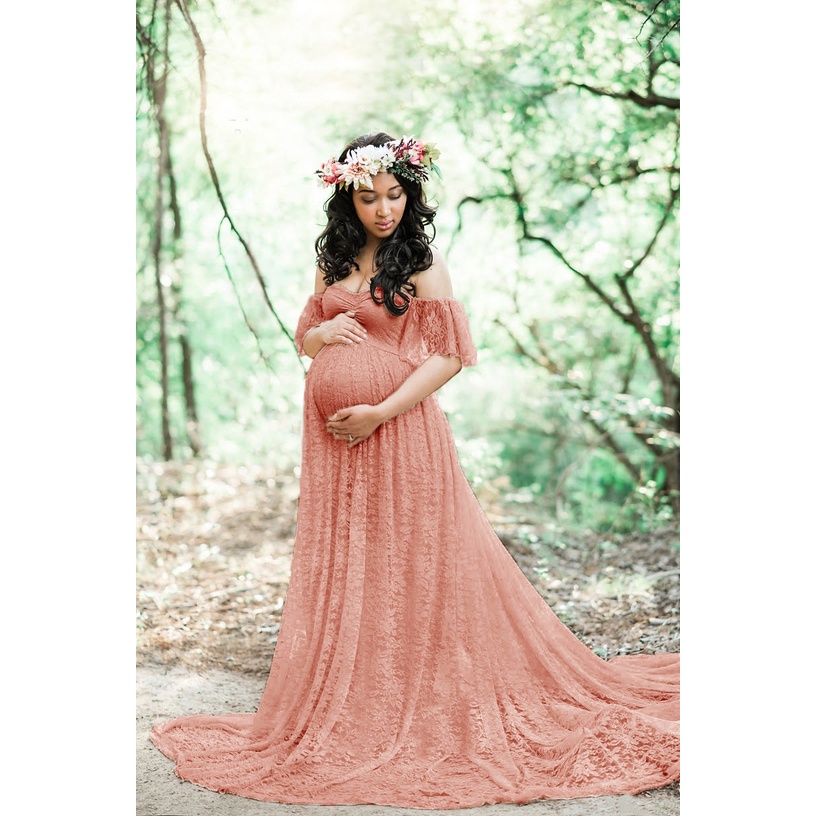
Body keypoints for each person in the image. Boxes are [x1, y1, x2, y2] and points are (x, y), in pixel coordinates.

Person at [149, 132, 680, 808]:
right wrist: (319, 339)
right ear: (348, 197)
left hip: (401, 434)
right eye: (369, 197)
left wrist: (378, 410)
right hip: (336, 448)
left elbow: (449, 355)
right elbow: (304, 340)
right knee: (358, 564)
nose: (383, 209)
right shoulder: (334, 259)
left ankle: (422, 697)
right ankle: (361, 692)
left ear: (410, 192)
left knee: (413, 564)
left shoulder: (420, 259)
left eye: (394, 195)